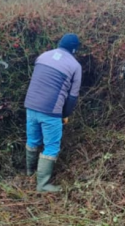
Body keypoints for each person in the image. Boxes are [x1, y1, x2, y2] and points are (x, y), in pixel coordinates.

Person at [23, 33, 82, 192]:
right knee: (51, 147)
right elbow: (72, 97)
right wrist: (65, 115)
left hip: (30, 105)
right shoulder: (75, 66)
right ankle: (42, 185)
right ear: (75, 50)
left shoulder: (43, 56)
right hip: (50, 110)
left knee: (33, 140)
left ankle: (29, 173)